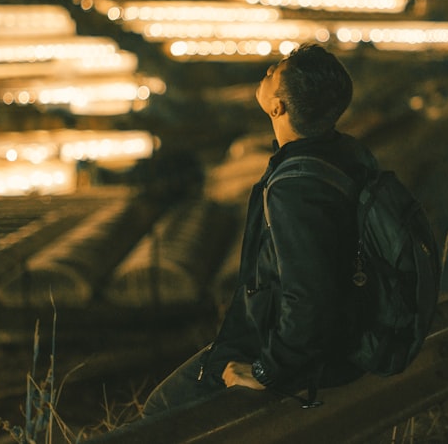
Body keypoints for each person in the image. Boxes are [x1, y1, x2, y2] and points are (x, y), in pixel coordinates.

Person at [142, 43, 373, 417]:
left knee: (161, 409)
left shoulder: (295, 188)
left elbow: (309, 297)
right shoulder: (344, 153)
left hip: (300, 350)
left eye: (272, 73)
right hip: (348, 331)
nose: (265, 70)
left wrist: (267, 370)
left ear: (278, 107)